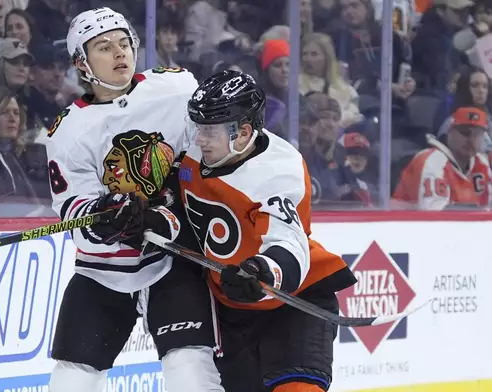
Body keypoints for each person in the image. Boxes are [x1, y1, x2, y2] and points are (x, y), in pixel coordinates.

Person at [45, 7, 223, 392]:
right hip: (105, 269)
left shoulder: (174, 90)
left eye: (124, 43)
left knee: (189, 369)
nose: (119, 53)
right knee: (72, 379)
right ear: (82, 63)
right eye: (105, 47)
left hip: (173, 256)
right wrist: (101, 218)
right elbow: (72, 207)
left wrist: (167, 211)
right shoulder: (68, 130)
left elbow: (205, 162)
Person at [178, 70, 357, 392]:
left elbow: (287, 241)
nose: (199, 138)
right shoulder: (193, 151)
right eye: (198, 127)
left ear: (243, 132)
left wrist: (261, 270)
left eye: (210, 130)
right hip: (230, 310)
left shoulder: (277, 171)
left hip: (294, 301)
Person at [393, 107, 492, 210]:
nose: (471, 139)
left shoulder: (481, 163)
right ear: (450, 132)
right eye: (465, 132)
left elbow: (488, 208)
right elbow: (436, 216)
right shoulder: (431, 161)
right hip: (405, 224)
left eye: (477, 134)